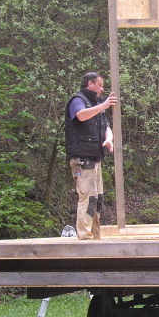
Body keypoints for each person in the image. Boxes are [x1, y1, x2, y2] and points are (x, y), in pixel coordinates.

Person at [64, 72, 118, 240]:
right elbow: (81, 115)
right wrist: (104, 105)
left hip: (95, 158)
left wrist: (109, 139)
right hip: (81, 159)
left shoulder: (97, 104)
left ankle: (95, 236)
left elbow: (106, 127)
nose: (102, 89)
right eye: (100, 85)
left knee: (98, 198)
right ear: (90, 84)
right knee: (87, 197)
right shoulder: (77, 100)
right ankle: (84, 236)